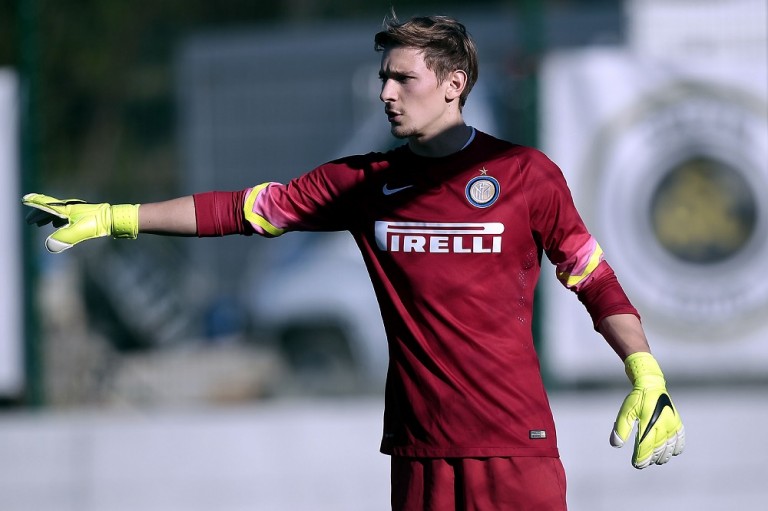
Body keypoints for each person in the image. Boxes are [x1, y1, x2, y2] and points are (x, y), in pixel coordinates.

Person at [23, 13, 684, 511]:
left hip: (514, 448)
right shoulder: (364, 182)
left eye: (403, 78)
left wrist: (646, 372)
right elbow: (239, 210)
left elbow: (594, 279)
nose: (386, 93)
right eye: (383, 78)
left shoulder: (525, 174)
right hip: (420, 451)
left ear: (453, 84)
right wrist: (113, 216)